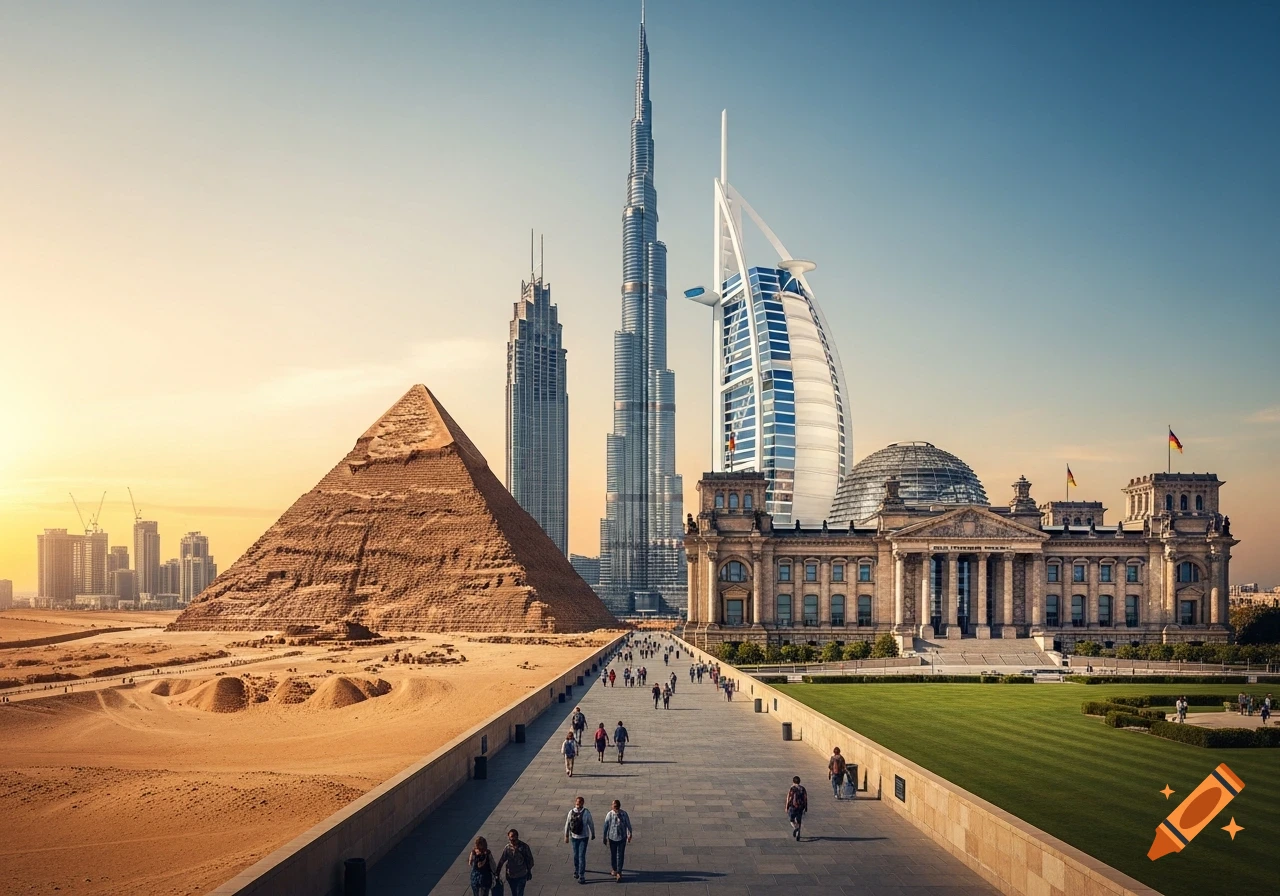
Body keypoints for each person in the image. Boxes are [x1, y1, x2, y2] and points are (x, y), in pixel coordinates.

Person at [564, 795, 596, 884]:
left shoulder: (572, 812)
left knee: (579, 855)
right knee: (577, 855)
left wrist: (566, 835)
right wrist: (566, 835)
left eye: (579, 803)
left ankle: (580, 874)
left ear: (581, 803)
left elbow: (567, 823)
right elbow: (591, 823)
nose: (578, 804)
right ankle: (578, 870)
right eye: (577, 803)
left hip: (580, 837)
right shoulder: (585, 812)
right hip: (577, 837)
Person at [495, 828, 535, 896]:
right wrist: (497, 873)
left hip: (521, 875)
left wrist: (528, 870)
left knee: (519, 893)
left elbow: (530, 860)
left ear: (517, 836)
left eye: (514, 838)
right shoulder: (507, 848)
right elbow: (502, 860)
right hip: (510, 876)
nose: (512, 840)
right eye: (511, 838)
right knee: (514, 892)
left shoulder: (524, 847)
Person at [602, 799, 634, 882]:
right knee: (613, 855)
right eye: (613, 806)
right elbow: (605, 826)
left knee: (620, 855)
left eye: (616, 806)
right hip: (612, 837)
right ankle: (614, 868)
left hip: (622, 837)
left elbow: (628, 824)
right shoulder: (609, 814)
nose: (615, 807)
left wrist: (629, 834)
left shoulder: (624, 814)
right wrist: (604, 837)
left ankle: (619, 872)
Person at [786, 775, 808, 840]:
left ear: (793, 781)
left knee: (791, 820)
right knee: (799, 820)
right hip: (800, 807)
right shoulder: (803, 789)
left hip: (793, 806)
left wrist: (787, 806)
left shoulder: (792, 788)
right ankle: (798, 833)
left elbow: (789, 798)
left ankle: (795, 827)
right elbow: (805, 798)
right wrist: (805, 807)